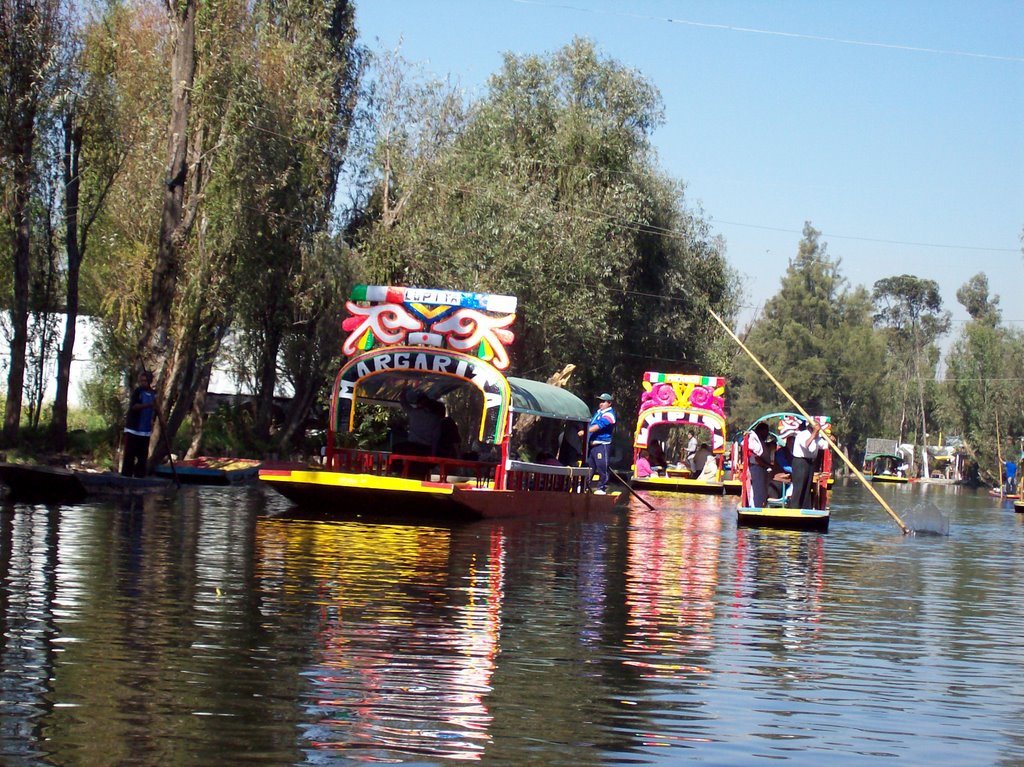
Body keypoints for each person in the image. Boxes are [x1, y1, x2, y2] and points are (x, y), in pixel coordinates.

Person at [578, 392, 616, 495]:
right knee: (589, 467)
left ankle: (601, 488)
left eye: (603, 402)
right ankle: (583, 486)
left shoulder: (610, 415)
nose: (601, 404)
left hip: (602, 445)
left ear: (609, 403)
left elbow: (599, 426)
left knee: (602, 466)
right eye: (600, 401)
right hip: (592, 445)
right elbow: (591, 424)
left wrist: (586, 432)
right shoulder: (598, 413)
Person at [121, 370, 156, 478]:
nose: (143, 383)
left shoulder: (153, 394)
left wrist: (161, 420)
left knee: (142, 456)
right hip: (133, 429)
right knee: (129, 455)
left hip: (145, 431)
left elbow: (156, 409)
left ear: (150, 381)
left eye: (145, 381)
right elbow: (134, 407)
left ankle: (140, 476)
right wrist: (148, 405)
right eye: (141, 381)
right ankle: (126, 476)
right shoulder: (137, 392)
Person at [788, 419, 827, 509]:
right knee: (799, 486)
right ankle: (795, 508)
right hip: (800, 462)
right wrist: (814, 434)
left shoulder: (817, 437)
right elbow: (806, 444)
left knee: (807, 487)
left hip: (810, 462)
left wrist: (832, 441)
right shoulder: (802, 435)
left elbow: (824, 445)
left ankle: (805, 508)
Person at [747, 421, 775, 508]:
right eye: (766, 431)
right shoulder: (755, 440)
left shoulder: (761, 442)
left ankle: (761, 505)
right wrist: (768, 465)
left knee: (762, 490)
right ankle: (757, 507)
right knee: (758, 490)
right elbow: (756, 458)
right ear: (761, 431)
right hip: (757, 468)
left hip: (762, 468)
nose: (767, 434)